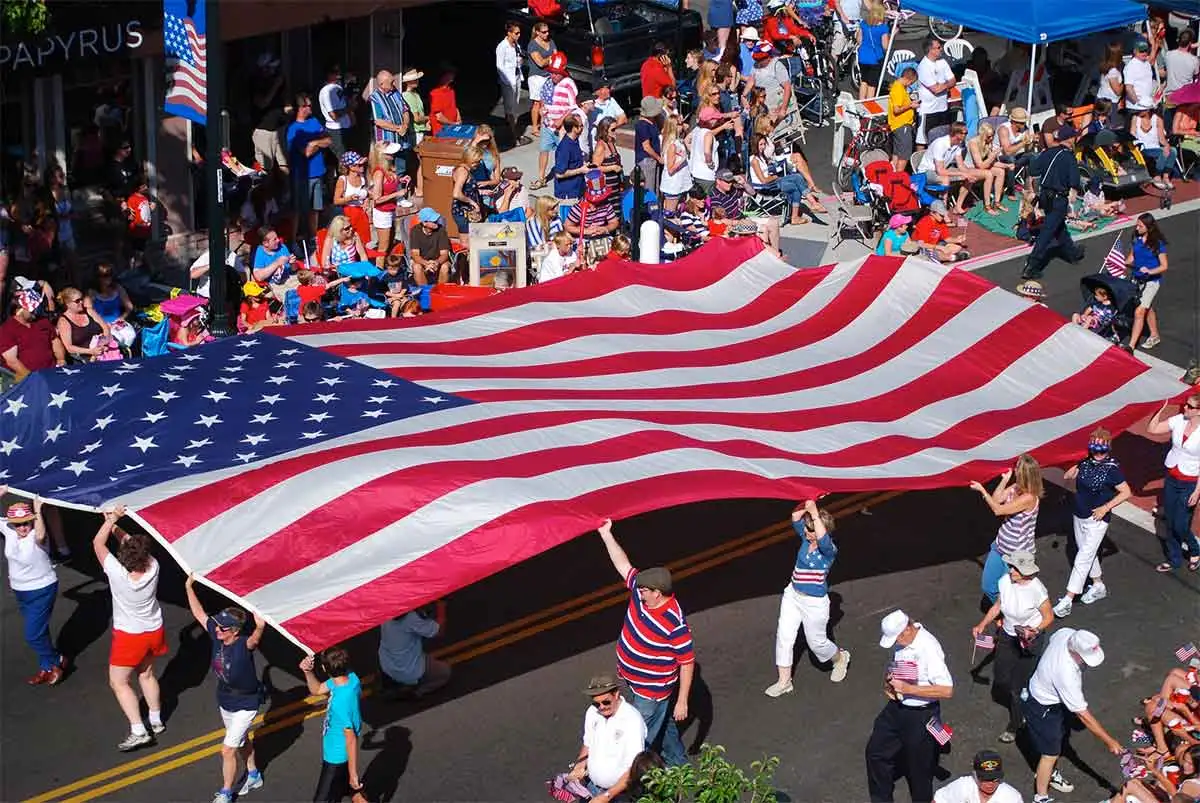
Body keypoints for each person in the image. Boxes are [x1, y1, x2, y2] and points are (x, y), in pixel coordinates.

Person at [597, 518, 694, 767]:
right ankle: (679, 764)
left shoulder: (674, 623)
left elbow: (687, 662)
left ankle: (636, 778)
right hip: (633, 677)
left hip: (651, 691)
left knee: (638, 740)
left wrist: (682, 700)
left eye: (643, 591)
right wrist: (606, 535)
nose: (637, 592)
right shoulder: (642, 594)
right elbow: (623, 565)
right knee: (663, 722)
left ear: (657, 593)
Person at [184, 574, 267, 803]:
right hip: (226, 700)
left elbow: (255, 641)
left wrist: (259, 627)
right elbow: (200, 614)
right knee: (241, 741)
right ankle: (253, 774)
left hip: (246, 703)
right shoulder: (217, 635)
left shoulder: (243, 644)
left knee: (227, 750)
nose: (217, 629)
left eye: (223, 627)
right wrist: (189, 587)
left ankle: (226, 792)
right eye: (218, 625)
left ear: (235, 631)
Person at [92, 506, 167, 751]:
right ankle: (155, 720)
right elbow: (128, 542)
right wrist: (113, 523)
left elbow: (98, 543)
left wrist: (110, 521)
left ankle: (138, 730)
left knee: (119, 682)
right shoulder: (153, 565)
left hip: (130, 635)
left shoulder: (117, 573)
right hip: (153, 629)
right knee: (146, 673)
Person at [1023, 628, 1122, 803]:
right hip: (1043, 707)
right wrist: (1109, 741)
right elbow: (1083, 715)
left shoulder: (1065, 633)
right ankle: (1041, 796)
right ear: (1074, 652)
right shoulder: (1066, 674)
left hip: (1044, 694)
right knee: (1050, 754)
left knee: (1057, 739)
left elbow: (1053, 637)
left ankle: (1049, 773)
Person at [866, 610, 954, 803]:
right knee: (876, 752)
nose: (895, 643)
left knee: (919, 771)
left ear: (907, 629)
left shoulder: (929, 648)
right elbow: (903, 668)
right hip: (898, 706)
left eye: (896, 638)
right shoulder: (906, 639)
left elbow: (947, 690)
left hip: (921, 715)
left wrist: (908, 688)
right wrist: (891, 682)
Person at [765, 500, 851, 697]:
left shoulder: (828, 550)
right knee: (784, 636)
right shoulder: (805, 539)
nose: (805, 531)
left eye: (810, 529)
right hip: (793, 595)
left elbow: (821, 536)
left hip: (814, 602)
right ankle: (784, 681)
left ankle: (840, 658)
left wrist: (813, 511)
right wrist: (807, 501)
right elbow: (795, 516)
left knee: (817, 644)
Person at [1051, 429, 1133, 619]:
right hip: (1079, 515)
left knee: (1082, 558)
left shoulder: (1112, 469)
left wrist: (1105, 507)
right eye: (1095, 449)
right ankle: (1098, 585)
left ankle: (1067, 599)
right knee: (1088, 554)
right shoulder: (1086, 462)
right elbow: (1068, 476)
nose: (1098, 454)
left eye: (1101, 450)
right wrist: (1079, 458)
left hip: (1097, 520)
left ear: (1108, 449)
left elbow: (1126, 492)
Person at [972, 550, 1052, 743]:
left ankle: (1017, 723)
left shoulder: (1037, 590)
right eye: (1010, 566)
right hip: (1008, 636)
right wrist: (982, 624)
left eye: (1015, 568)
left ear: (1025, 571)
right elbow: (998, 605)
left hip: (1029, 639)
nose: (1010, 570)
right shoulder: (1006, 581)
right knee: (1001, 677)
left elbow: (1048, 616)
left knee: (1017, 688)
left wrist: (1034, 630)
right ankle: (1026, 692)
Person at [2, 496, 64, 686]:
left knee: (32, 634)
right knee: (40, 630)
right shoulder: (10, 530)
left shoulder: (36, 535)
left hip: (41, 590)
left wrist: (37, 510)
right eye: (18, 524)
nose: (22, 527)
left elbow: (40, 535)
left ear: (32, 520)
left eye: (26, 523)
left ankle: (56, 662)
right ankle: (46, 666)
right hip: (21, 591)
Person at [969, 454, 1042, 603]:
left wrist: (983, 491)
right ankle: (1002, 611)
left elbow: (998, 510)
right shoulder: (1016, 488)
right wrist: (1004, 480)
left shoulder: (1029, 497)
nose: (1015, 470)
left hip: (1017, 553)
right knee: (989, 586)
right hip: (1000, 546)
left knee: (1014, 589)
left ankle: (1010, 615)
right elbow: (997, 500)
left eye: (1017, 469)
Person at [564, 674, 648, 803]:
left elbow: (634, 768)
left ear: (616, 694)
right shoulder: (592, 712)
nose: (601, 707)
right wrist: (580, 765)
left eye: (606, 702)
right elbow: (588, 743)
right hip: (592, 788)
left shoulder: (632, 721)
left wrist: (606, 796)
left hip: (619, 794)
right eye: (596, 703)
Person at [300, 648, 365, 803]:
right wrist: (307, 672)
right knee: (354, 794)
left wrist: (353, 773)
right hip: (338, 755)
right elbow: (317, 689)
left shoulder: (340, 703)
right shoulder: (351, 678)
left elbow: (350, 740)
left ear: (324, 669)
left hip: (336, 758)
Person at [1021, 125, 1084, 281]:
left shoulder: (1047, 153)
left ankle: (1072, 253)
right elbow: (1074, 180)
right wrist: (1074, 191)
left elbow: (1034, 170)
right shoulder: (1069, 157)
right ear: (1070, 139)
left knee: (1058, 227)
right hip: (1058, 198)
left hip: (1045, 196)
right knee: (1048, 231)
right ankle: (1031, 265)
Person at [1146, 396, 1200, 573]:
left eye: (1190, 407)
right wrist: (1159, 408)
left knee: (1181, 525)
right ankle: (1174, 559)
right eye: (1186, 404)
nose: (1185, 408)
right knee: (1170, 521)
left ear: (1198, 411)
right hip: (1172, 477)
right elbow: (1152, 429)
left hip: (1190, 483)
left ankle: (1194, 549)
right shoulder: (1179, 420)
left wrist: (1198, 491)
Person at [378, 601, 452, 697]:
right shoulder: (411, 618)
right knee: (445, 672)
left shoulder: (384, 612)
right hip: (409, 670)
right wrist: (441, 606)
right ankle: (417, 691)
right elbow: (439, 631)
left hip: (387, 664)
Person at [287, 93, 333, 244]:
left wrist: (313, 143)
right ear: (301, 108)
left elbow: (328, 140)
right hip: (302, 176)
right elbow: (305, 153)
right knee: (298, 210)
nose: (311, 109)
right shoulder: (294, 129)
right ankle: (294, 240)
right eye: (308, 106)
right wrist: (318, 143)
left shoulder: (314, 121)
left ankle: (313, 238)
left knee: (315, 209)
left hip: (318, 173)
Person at [534, 53, 578, 190]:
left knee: (563, 154)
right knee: (543, 150)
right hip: (548, 125)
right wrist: (542, 112)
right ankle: (541, 178)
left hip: (561, 128)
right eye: (552, 72)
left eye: (556, 73)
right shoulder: (548, 83)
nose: (553, 75)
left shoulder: (569, 85)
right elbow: (544, 102)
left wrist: (562, 119)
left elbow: (573, 107)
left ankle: (566, 178)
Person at [1127, 212, 1169, 350]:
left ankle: (1131, 346)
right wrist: (1115, 262)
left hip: (1151, 282)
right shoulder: (1136, 240)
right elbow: (1131, 259)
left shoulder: (1158, 244)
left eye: (1140, 226)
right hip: (1136, 279)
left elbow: (1164, 266)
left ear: (1148, 227)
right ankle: (1154, 335)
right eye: (1136, 225)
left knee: (1139, 311)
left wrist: (1150, 271)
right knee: (1147, 307)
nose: (1137, 228)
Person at [925, 122, 979, 216]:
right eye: (964, 133)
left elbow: (961, 165)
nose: (966, 135)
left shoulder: (958, 144)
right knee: (945, 179)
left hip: (943, 169)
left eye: (966, 133)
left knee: (970, 176)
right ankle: (943, 212)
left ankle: (958, 206)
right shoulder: (941, 144)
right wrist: (962, 174)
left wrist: (968, 174)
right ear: (956, 133)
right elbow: (940, 171)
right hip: (927, 172)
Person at [368, 142, 407, 267]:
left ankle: (386, 267)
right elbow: (377, 199)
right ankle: (378, 272)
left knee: (390, 241)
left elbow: (389, 184)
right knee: (383, 247)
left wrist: (400, 180)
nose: (393, 155)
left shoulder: (389, 169)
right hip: (382, 213)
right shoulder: (379, 173)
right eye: (390, 153)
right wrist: (397, 194)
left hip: (390, 210)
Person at [368, 70, 414, 174]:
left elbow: (405, 109)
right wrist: (398, 128)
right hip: (387, 142)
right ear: (381, 84)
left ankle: (401, 190)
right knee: (386, 171)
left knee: (401, 170)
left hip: (401, 140)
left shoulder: (396, 93)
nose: (394, 84)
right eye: (391, 82)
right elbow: (378, 121)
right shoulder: (374, 98)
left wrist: (405, 125)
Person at [933, 750, 1023, 803]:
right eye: (985, 779)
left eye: (995, 779)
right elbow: (939, 800)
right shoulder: (963, 786)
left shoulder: (1012, 798)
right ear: (975, 775)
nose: (990, 784)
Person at [250, 54, 289, 174]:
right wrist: (275, 86)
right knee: (266, 168)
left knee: (284, 164)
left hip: (280, 127)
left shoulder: (276, 81)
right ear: (264, 69)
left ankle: (284, 191)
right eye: (271, 68)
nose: (274, 70)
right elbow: (262, 103)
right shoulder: (257, 84)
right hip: (264, 130)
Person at [916, 37, 956, 148]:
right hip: (928, 110)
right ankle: (920, 161)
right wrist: (945, 85)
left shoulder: (942, 62)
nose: (941, 49)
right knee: (923, 140)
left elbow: (953, 80)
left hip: (942, 108)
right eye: (938, 47)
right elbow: (935, 89)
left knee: (942, 138)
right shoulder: (923, 66)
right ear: (931, 50)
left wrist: (943, 85)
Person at [55, 286, 110, 362]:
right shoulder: (63, 321)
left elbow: (105, 328)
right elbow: (69, 347)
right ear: (68, 304)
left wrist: (104, 343)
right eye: (77, 301)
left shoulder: (89, 311)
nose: (81, 302)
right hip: (83, 359)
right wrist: (91, 351)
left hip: (103, 352)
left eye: (81, 299)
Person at [967, 123, 1013, 214]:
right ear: (982, 135)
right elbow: (980, 165)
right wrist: (992, 156)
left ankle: (997, 202)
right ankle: (987, 206)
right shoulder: (973, 143)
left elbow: (992, 163)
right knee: (989, 174)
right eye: (988, 136)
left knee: (1000, 171)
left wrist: (1007, 166)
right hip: (969, 167)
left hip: (982, 166)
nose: (991, 139)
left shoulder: (988, 143)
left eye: (992, 136)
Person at [1132, 107, 1179, 191]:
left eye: (1141, 109)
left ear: (1148, 110)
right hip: (1142, 148)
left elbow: (1161, 138)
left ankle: (1165, 177)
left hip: (1155, 147)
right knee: (1162, 152)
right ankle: (1157, 176)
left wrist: (1167, 145)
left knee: (1173, 151)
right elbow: (1132, 135)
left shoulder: (1157, 118)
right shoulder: (1136, 118)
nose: (1138, 111)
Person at [496, 21, 526, 145]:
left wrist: (520, 62)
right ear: (509, 33)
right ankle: (514, 135)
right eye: (516, 33)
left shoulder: (516, 45)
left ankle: (512, 131)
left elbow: (518, 59)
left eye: (519, 33)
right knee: (510, 108)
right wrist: (507, 81)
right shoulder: (502, 46)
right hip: (508, 81)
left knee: (515, 106)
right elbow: (499, 66)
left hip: (517, 77)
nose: (518, 35)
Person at [408, 207, 452, 286]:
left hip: (438, 260)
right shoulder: (415, 231)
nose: (436, 222)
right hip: (422, 261)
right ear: (424, 223)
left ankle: (440, 291)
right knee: (417, 267)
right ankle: (426, 292)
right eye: (433, 221)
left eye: (436, 220)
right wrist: (426, 264)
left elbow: (444, 254)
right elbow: (415, 254)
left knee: (445, 267)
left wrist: (436, 263)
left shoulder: (441, 230)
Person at [856, 0, 890, 100]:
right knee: (872, 85)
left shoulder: (863, 24)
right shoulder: (883, 28)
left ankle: (861, 102)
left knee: (864, 81)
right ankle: (869, 106)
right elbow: (885, 46)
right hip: (875, 58)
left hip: (863, 57)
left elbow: (859, 40)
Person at [527, 23, 557, 135]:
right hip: (536, 77)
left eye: (547, 31)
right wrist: (550, 58)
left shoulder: (551, 42)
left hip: (549, 75)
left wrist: (549, 59)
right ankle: (535, 127)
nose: (547, 34)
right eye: (544, 32)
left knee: (547, 101)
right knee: (537, 103)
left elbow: (556, 56)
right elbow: (540, 63)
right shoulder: (532, 45)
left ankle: (545, 124)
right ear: (537, 32)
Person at [318, 65, 353, 158]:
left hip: (346, 127)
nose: (339, 75)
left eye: (339, 72)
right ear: (329, 74)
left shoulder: (339, 88)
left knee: (350, 158)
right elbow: (333, 115)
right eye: (335, 72)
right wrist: (350, 108)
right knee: (343, 160)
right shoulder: (326, 91)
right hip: (336, 131)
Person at [888, 67, 919, 171]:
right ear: (909, 79)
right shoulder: (898, 89)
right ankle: (898, 178)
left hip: (899, 126)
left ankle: (892, 176)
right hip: (902, 126)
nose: (910, 85)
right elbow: (896, 110)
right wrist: (910, 106)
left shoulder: (900, 88)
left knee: (897, 154)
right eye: (911, 82)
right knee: (905, 155)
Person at [553, 118, 588, 202]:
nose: (583, 127)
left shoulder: (575, 141)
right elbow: (559, 174)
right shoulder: (565, 148)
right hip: (568, 195)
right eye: (581, 126)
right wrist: (581, 170)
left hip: (578, 189)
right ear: (574, 128)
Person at [635, 97, 665, 192]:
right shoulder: (642, 125)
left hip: (653, 159)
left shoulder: (652, 121)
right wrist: (659, 158)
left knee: (656, 187)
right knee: (649, 188)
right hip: (647, 160)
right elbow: (646, 147)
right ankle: (649, 206)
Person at [1125, 39, 1158, 112]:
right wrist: (1137, 102)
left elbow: (1152, 57)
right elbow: (1128, 87)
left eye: (1145, 50)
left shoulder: (1146, 62)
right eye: (1141, 51)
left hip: (1148, 104)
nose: (1144, 53)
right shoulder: (1131, 66)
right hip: (1136, 107)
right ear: (1135, 51)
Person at [1095, 42, 1125, 106]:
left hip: (1102, 99)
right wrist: (1124, 82)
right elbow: (1118, 92)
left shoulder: (1105, 65)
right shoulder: (1113, 72)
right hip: (1109, 103)